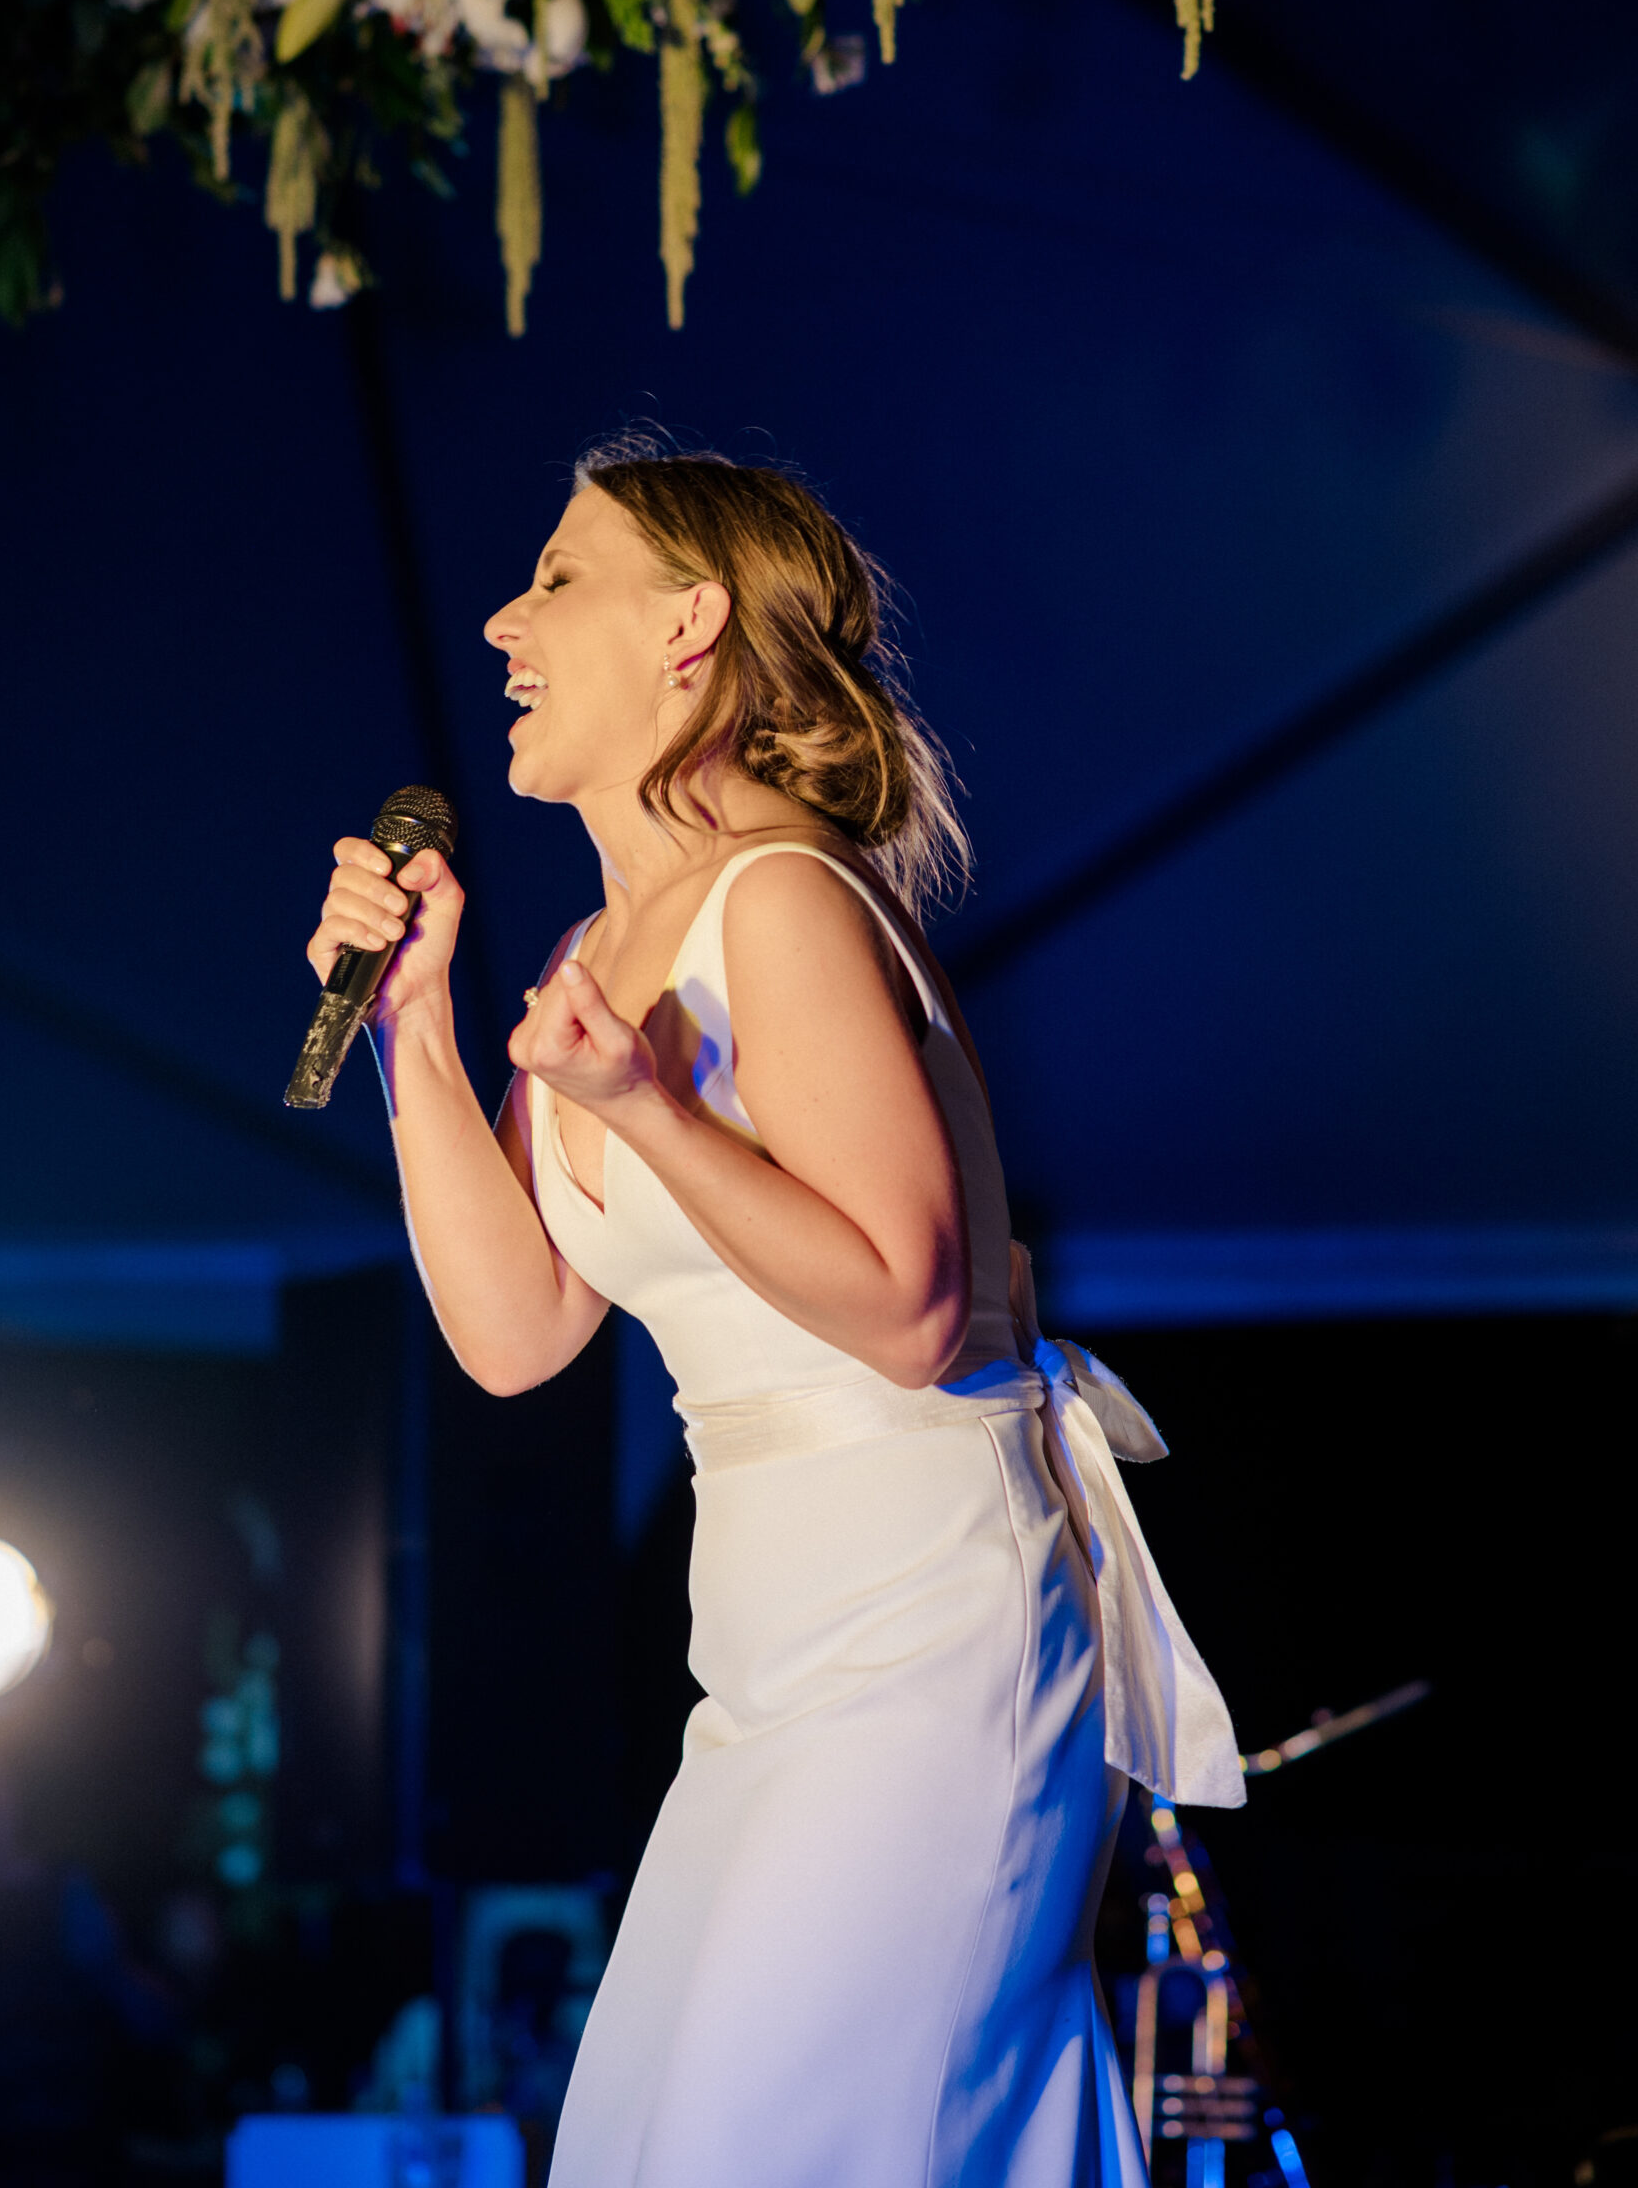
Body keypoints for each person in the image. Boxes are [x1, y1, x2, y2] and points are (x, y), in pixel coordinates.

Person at [309, 446, 1244, 2188]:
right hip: (763, 1666)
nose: (505, 620)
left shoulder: (787, 899)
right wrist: (416, 1034)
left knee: (784, 2140)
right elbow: (519, 1336)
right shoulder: (601, 947)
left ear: (691, 626)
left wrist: (651, 1110)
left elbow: (912, 1307)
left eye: (557, 576)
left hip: (930, 1628)